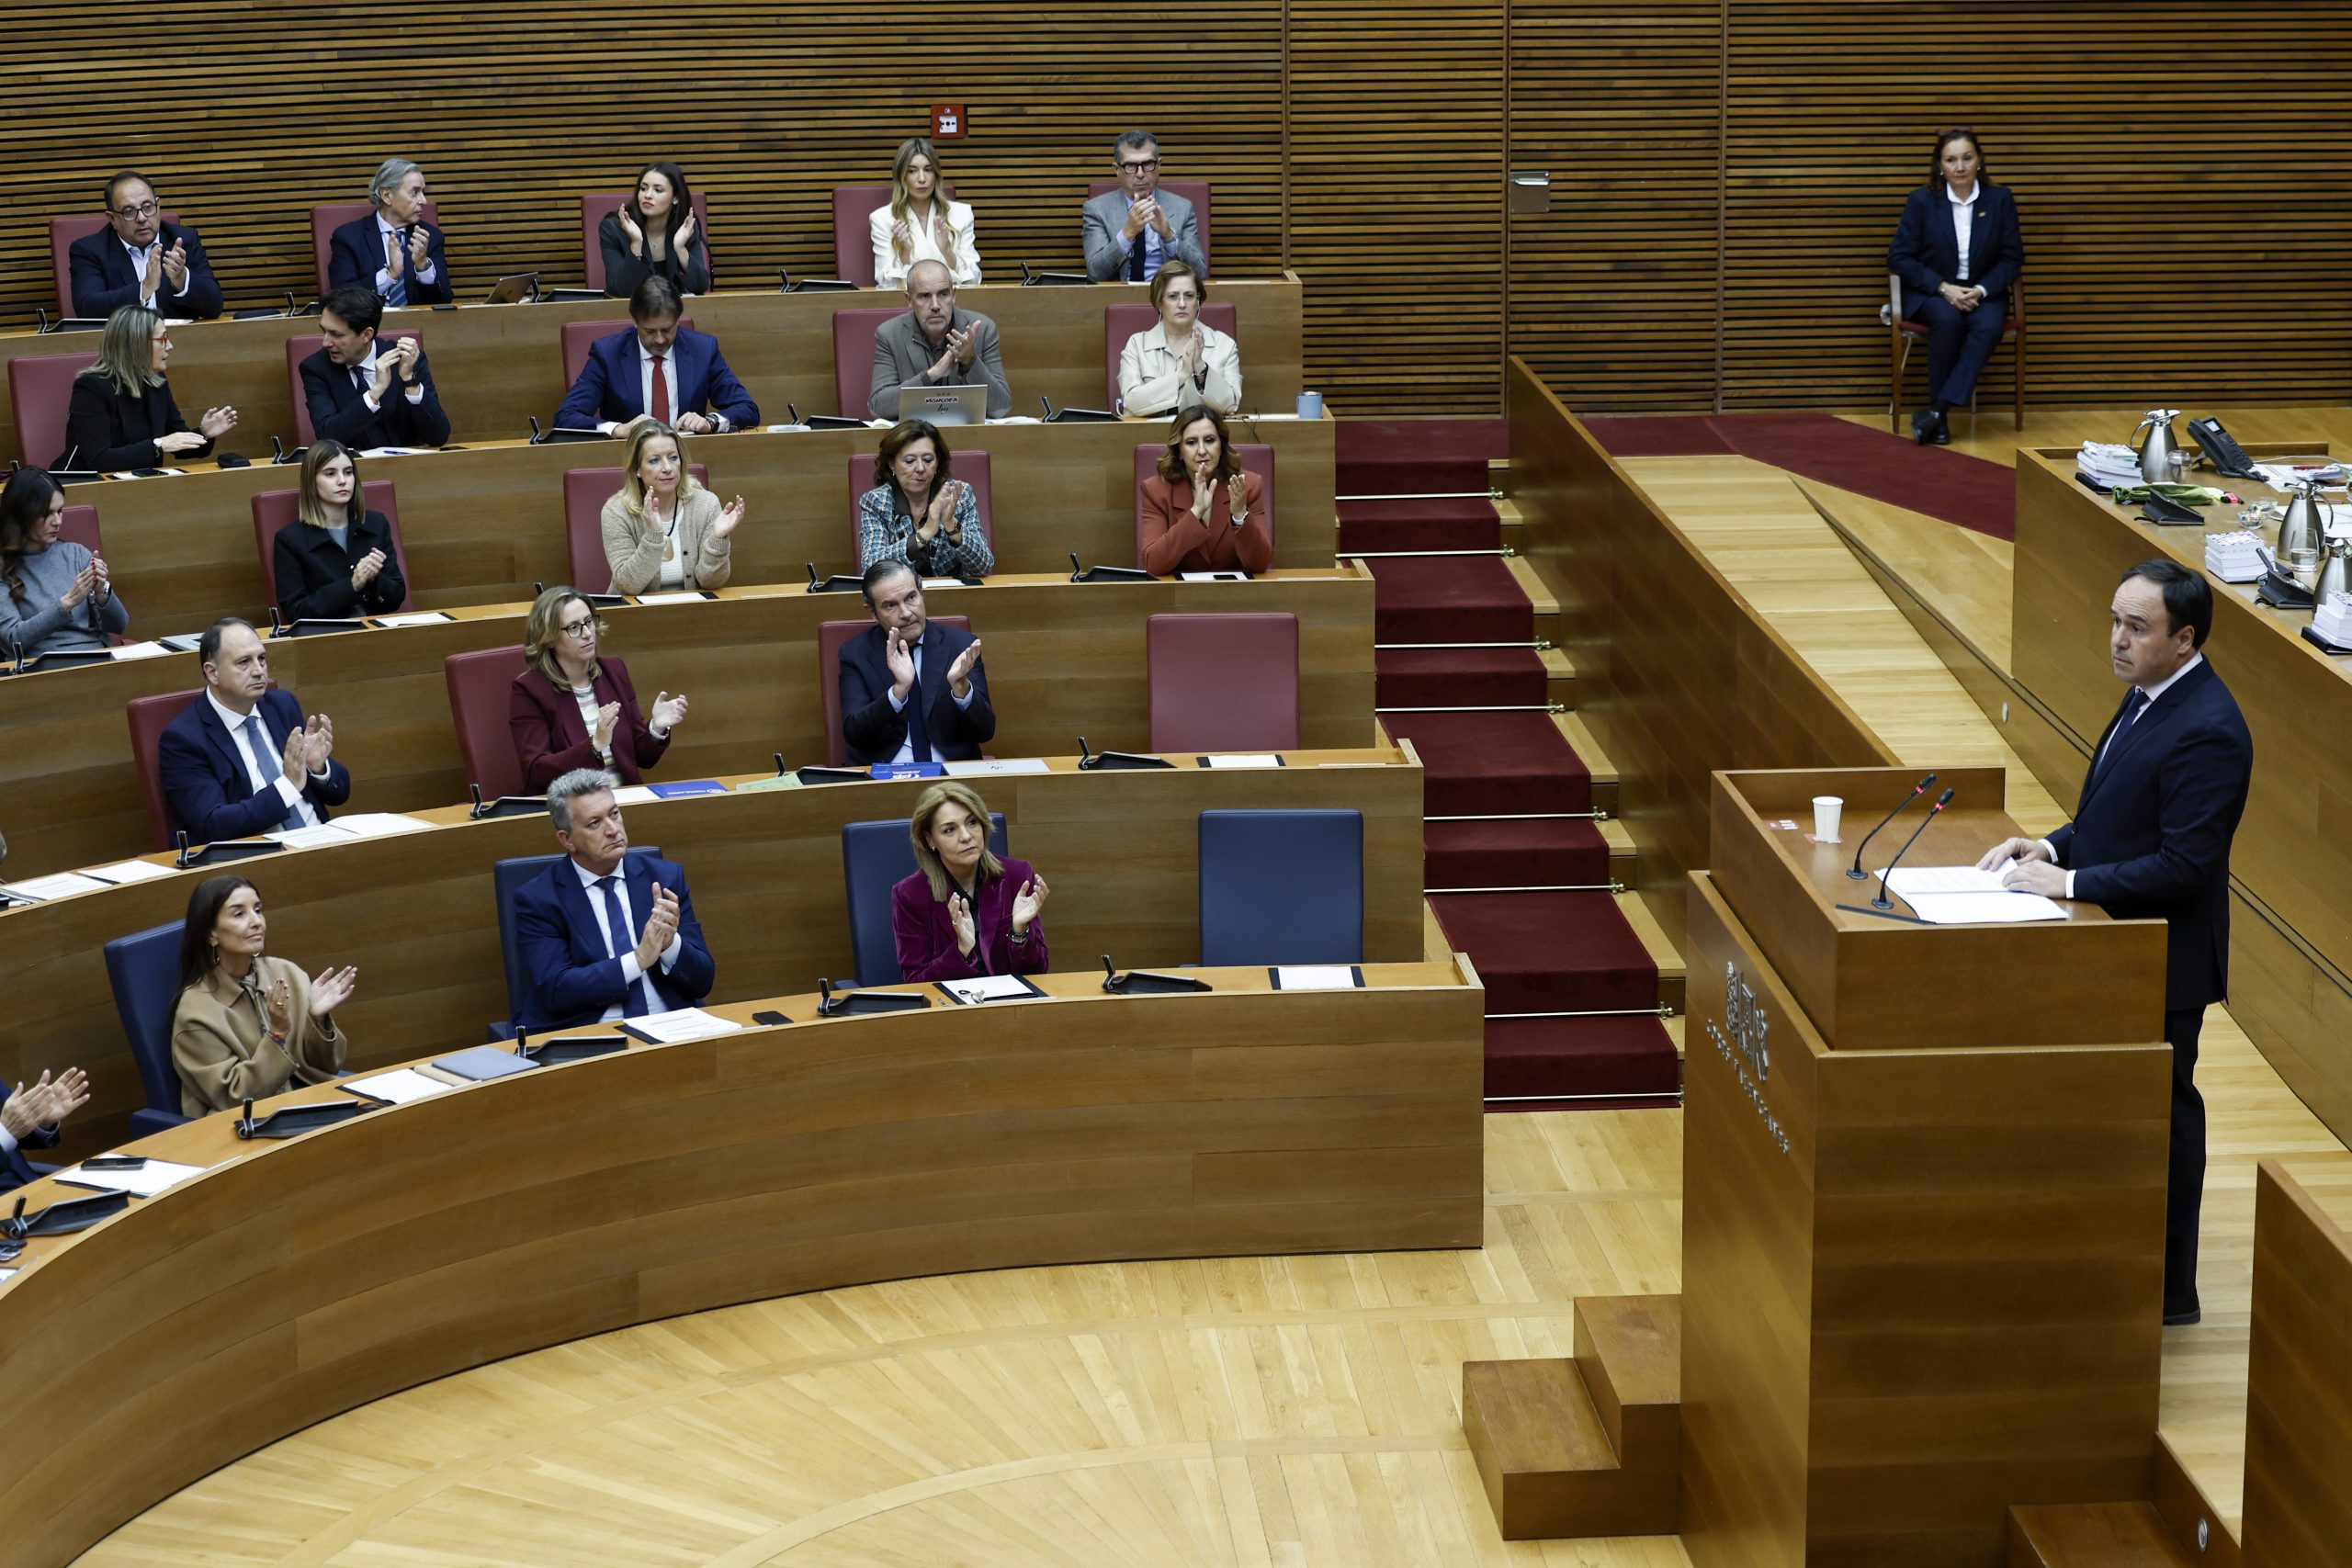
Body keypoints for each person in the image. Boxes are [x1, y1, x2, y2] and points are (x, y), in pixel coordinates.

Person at [1976, 559, 2252, 1327]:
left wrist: (2067, 887)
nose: (2118, 640)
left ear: (2185, 638)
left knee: (2164, 1118)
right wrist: (2052, 848)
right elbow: (2112, 816)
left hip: (2160, 962)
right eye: (2114, 620)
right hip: (2115, 951)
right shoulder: (2151, 695)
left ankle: (2170, 1292)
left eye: (2137, 627)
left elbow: (2184, 862)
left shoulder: (2211, 729)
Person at [510, 767, 714, 1032]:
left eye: (614, 814)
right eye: (594, 823)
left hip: (671, 1024)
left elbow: (703, 981)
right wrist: (638, 959)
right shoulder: (538, 899)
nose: (612, 829)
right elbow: (557, 989)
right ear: (567, 839)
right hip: (588, 1032)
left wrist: (669, 945)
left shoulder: (664, 878)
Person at [169, 874, 356, 1116]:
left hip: (308, 1103)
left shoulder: (287, 973)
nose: (257, 921)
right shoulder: (196, 1011)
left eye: (258, 910)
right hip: (246, 1125)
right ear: (211, 934)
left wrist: (317, 1021)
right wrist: (277, 1035)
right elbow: (233, 1098)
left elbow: (328, 1066)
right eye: (239, 914)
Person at [158, 618, 348, 843]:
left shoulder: (282, 705)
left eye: (262, 658)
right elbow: (214, 824)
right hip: (258, 857)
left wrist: (316, 767)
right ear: (212, 673)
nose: (259, 671)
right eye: (244, 662)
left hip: (321, 839)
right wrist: (287, 786)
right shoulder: (183, 739)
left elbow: (340, 793)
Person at [1888, 126, 2021, 445]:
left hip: (1983, 292)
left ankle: (1938, 411)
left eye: (1966, 158)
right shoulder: (1922, 201)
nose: (1959, 167)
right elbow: (1899, 257)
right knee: (1946, 321)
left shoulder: (2000, 200)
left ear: (1980, 161)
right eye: (1951, 160)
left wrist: (1982, 290)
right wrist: (1943, 288)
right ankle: (1940, 415)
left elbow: (2012, 258)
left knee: (1988, 327)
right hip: (1933, 291)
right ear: (1939, 166)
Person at [509, 586, 687, 791]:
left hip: (625, 801)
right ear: (549, 638)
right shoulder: (530, 691)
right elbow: (536, 772)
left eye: (588, 621)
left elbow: (642, 757)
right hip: (575, 807)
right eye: (573, 628)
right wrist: (594, 745)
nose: (587, 633)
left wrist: (656, 728)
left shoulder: (613, 671)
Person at [556, 275, 757, 436]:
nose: (660, 340)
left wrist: (711, 422)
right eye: (650, 332)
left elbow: (747, 408)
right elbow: (566, 417)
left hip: (687, 462)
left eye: (667, 330)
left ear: (678, 320)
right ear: (635, 322)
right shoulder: (608, 354)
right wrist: (618, 429)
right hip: (628, 465)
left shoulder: (703, 349)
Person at [838, 560, 993, 766]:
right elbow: (855, 734)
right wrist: (897, 692)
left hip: (950, 779)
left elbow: (985, 731)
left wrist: (962, 689)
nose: (906, 613)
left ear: (921, 593)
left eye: (911, 598)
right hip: (885, 777)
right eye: (890, 605)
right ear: (872, 612)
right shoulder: (856, 653)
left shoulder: (961, 646)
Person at [891, 782, 1049, 982]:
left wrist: (1020, 932)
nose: (966, 836)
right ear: (930, 839)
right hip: (951, 1009)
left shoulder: (1017, 876)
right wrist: (960, 952)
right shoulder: (911, 895)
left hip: (1011, 1006)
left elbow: (1039, 973)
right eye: (949, 830)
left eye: (971, 822)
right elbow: (916, 983)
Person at [57, 305, 237, 470]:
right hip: (90, 489)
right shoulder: (92, 388)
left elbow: (177, 444)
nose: (170, 346)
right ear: (136, 344)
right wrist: (158, 445)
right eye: (162, 339)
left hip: (140, 485)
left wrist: (204, 433)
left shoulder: (156, 381)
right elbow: (99, 460)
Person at [297, 285, 451, 450]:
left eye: (336, 334)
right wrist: (375, 392)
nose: (325, 342)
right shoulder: (316, 369)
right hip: (351, 471)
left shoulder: (405, 360)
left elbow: (438, 436)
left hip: (409, 466)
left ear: (366, 335)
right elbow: (328, 436)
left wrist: (410, 382)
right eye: (324, 331)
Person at [599, 423, 742, 594]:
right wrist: (653, 536)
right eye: (654, 460)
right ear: (637, 469)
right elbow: (629, 585)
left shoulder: (705, 503)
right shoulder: (616, 512)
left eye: (673, 458)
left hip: (692, 613)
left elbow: (710, 582)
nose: (667, 468)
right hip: (636, 615)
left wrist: (717, 539)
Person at [273, 441, 408, 622]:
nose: (342, 481)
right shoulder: (290, 540)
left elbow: (395, 599)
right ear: (311, 481)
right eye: (330, 474)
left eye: (348, 472)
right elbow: (297, 612)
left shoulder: (376, 524)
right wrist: (352, 585)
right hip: (327, 638)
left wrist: (375, 580)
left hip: (376, 632)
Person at [0, 467, 129, 658]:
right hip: (43, 666)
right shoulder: (4, 566)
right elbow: (13, 640)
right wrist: (67, 602)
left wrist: (103, 593)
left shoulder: (77, 554)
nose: (58, 521)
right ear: (21, 515)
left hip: (97, 658)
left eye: (60, 511)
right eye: (46, 513)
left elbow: (119, 626)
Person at [68, 171, 224, 321]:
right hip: (124, 344)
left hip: (178, 342)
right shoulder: (89, 251)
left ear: (158, 205)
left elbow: (214, 307)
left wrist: (182, 278)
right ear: (112, 219)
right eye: (129, 211)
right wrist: (144, 289)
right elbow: (87, 309)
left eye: (148, 207)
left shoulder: (184, 240)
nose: (142, 218)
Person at [868, 259, 1011, 421]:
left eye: (943, 294)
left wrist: (970, 362)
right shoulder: (889, 334)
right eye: (924, 296)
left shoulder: (982, 330)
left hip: (969, 436)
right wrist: (932, 375)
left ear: (954, 295)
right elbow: (878, 407)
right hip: (916, 437)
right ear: (909, 300)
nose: (935, 305)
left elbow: (1001, 407)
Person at [1137, 405, 1270, 576]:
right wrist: (1195, 512)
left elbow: (1260, 564)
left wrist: (1239, 516)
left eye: (1209, 440)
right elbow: (1154, 564)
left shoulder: (1248, 485)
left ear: (1221, 446)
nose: (1201, 451)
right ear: (1179, 451)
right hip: (1178, 596)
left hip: (1235, 594)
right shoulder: (1156, 491)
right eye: (1191, 442)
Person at [856, 419, 994, 578]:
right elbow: (872, 569)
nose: (920, 468)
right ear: (892, 465)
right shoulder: (877, 503)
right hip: (899, 598)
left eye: (928, 460)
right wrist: (924, 534)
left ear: (937, 464)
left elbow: (983, 567)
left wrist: (952, 526)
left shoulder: (958, 495)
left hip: (951, 597)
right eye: (909, 461)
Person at [1117, 258, 1240, 417]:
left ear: (1198, 301)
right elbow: (1131, 403)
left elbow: (1230, 406)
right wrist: (1181, 375)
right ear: (1159, 302)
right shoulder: (1137, 345)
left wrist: (1200, 367)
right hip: (1149, 437)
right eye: (1173, 296)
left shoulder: (1225, 345)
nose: (1182, 304)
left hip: (1203, 439)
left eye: (1189, 296)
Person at [1083, 130, 1207, 283]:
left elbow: (1201, 273)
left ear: (1159, 165)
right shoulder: (1096, 210)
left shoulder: (1182, 208)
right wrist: (1127, 233)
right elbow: (1095, 274)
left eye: (1148, 164)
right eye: (1130, 166)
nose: (1140, 174)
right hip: (1119, 299)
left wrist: (1168, 236)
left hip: (1169, 299)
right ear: (1117, 170)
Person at [328, 159, 451, 306]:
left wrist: (423, 267)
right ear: (387, 195)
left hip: (417, 325)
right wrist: (389, 275)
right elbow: (341, 298)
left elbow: (444, 300)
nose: (423, 201)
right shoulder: (349, 237)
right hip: (368, 324)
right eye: (414, 193)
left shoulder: (429, 237)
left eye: (423, 193)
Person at [869, 137, 981, 289]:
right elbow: (886, 285)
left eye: (928, 170)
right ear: (902, 177)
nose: (922, 178)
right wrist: (904, 255)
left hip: (954, 306)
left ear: (936, 175)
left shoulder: (962, 214)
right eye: (912, 171)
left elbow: (974, 280)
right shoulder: (882, 219)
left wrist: (947, 252)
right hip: (906, 307)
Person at [600, 161, 709, 299]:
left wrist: (681, 249)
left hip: (673, 313)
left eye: (658, 190)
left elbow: (700, 286)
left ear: (675, 198)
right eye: (644, 188)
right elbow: (620, 291)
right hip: (629, 314)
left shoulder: (685, 227)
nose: (648, 195)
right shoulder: (614, 228)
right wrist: (636, 245)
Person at [1, 1066, 92, 1195]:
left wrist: (40, 1119)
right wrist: (5, 1133)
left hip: (31, 1187)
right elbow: (6, 1129)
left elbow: (12, 1126)